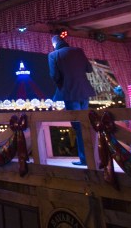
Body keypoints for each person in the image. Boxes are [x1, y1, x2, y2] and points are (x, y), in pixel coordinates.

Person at [48, 34, 96, 166]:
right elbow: (89, 69)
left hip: (69, 93)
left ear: (54, 44)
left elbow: (54, 76)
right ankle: (93, 156)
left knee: (78, 126)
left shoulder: (53, 55)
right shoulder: (78, 51)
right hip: (84, 92)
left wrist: (63, 84)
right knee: (86, 123)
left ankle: (85, 159)